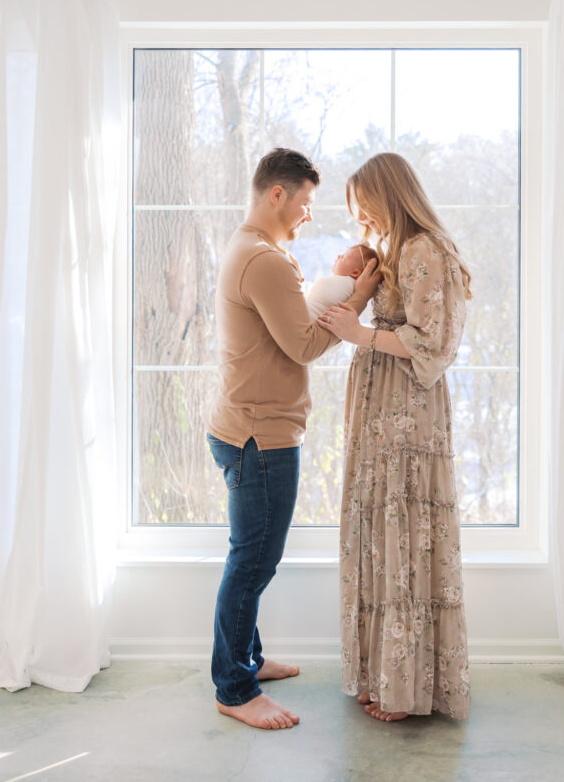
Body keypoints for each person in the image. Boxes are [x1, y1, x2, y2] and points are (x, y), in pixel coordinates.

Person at [207, 147, 380, 731]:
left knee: (251, 557)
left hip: (244, 427)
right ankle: (234, 688)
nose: (309, 215)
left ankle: (247, 660)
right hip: (260, 436)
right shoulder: (266, 262)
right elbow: (304, 346)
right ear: (277, 194)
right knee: (253, 562)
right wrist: (358, 299)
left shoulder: (251, 249)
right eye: (305, 202)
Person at [318, 152, 472, 722]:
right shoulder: (397, 251)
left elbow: (433, 342)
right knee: (381, 533)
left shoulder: (425, 249)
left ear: (389, 196)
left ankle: (406, 689)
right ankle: (386, 675)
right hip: (381, 406)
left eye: (368, 208)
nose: (365, 220)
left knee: (403, 531)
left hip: (407, 408)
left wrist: (360, 333)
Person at [304, 242, 380, 319]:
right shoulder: (346, 285)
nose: (338, 256)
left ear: (355, 272)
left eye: (343, 257)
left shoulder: (348, 284)